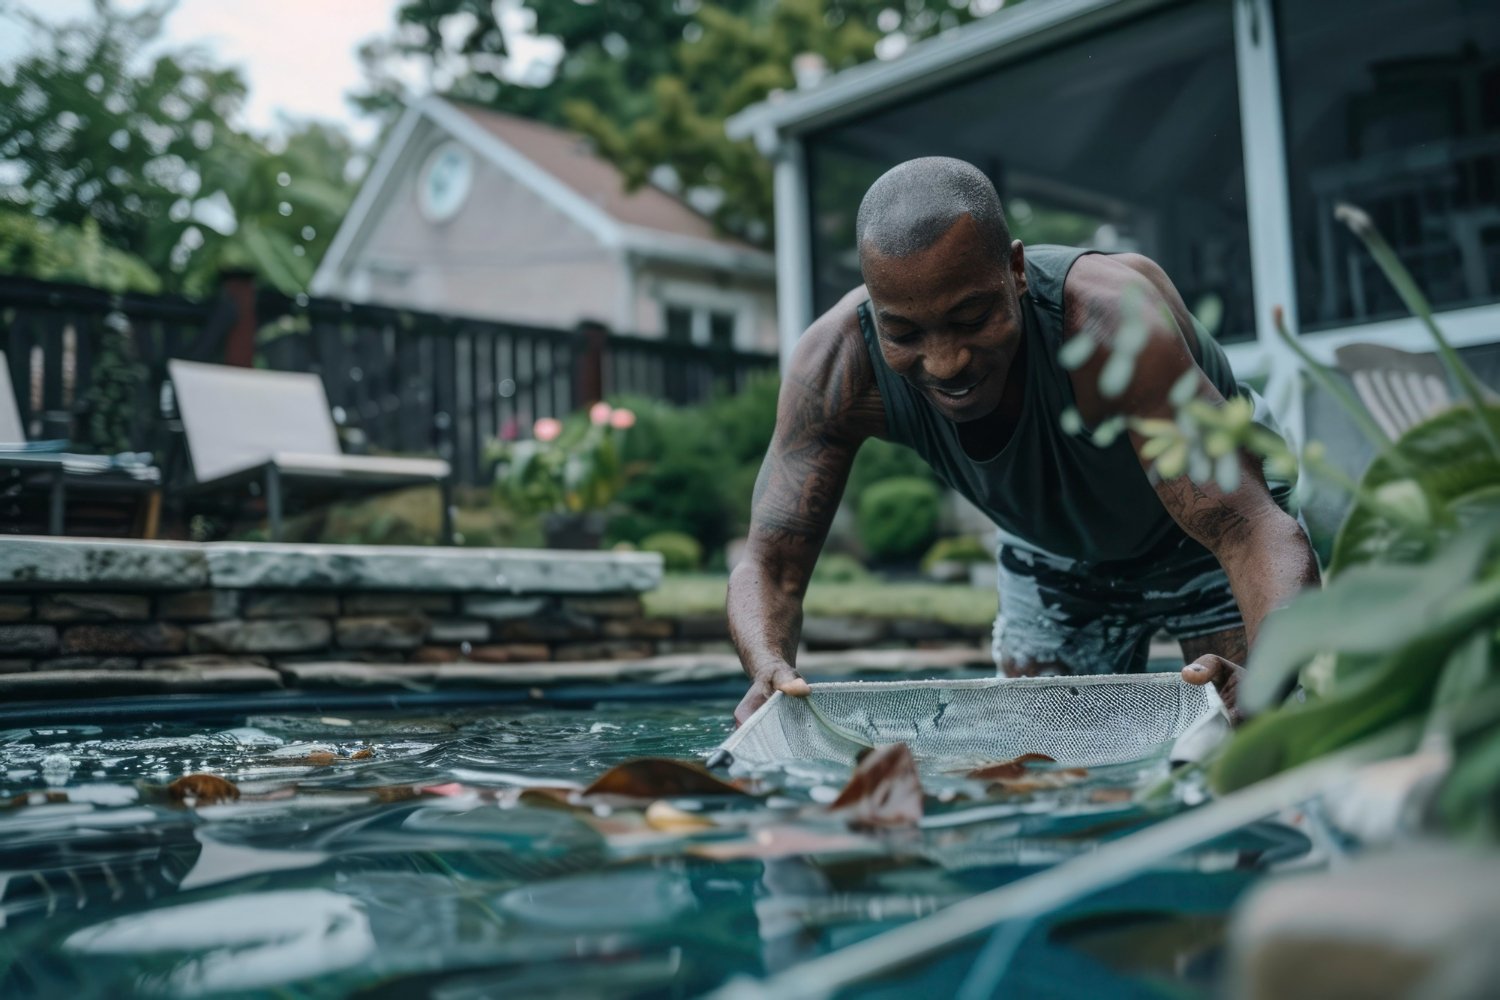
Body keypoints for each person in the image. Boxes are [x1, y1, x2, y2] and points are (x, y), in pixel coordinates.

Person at [728, 157, 1320, 727]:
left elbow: (1248, 529)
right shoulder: (836, 366)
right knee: (1046, 772)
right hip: (1052, 550)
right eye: (904, 332)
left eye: (971, 318)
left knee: (1254, 743)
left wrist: (1267, 676)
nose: (944, 362)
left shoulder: (1109, 323)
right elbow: (769, 564)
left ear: (1014, 270)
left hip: (1209, 539)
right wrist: (767, 665)